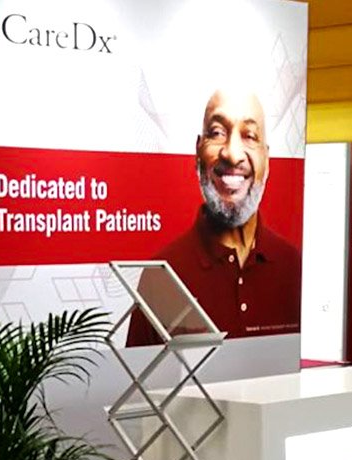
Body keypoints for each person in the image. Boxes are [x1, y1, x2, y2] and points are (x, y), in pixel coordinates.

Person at [127, 87, 300, 347]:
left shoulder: (294, 266)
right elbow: (141, 370)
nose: (232, 154)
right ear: (198, 151)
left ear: (267, 157)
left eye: (249, 136)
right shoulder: (162, 275)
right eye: (217, 133)